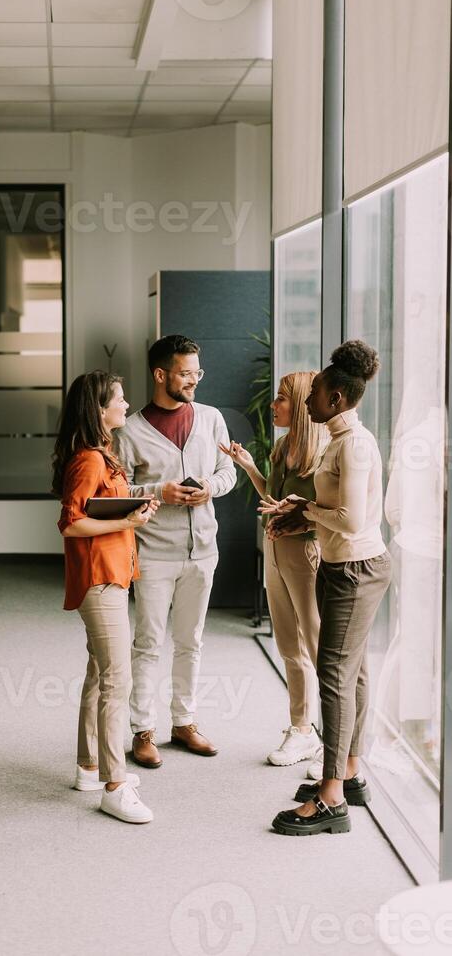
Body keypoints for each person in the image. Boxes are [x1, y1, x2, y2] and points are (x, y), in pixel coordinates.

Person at [262, 340, 392, 837]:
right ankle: (351, 771)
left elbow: (353, 518)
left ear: (337, 398)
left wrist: (306, 511)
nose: (307, 399)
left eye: (314, 391)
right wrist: (304, 507)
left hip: (356, 570)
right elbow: (337, 509)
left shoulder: (353, 445)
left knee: (334, 674)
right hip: (346, 567)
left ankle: (332, 795)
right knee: (351, 670)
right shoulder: (339, 441)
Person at [113, 335, 236, 768]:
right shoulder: (129, 430)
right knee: (148, 643)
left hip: (203, 550)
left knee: (192, 641)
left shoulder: (211, 418)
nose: (194, 381)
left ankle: (184, 722)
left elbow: (227, 472)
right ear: (161, 374)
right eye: (186, 373)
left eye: (197, 372)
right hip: (153, 554)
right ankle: (142, 730)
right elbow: (118, 491)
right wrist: (158, 492)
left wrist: (210, 491)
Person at [53, 370, 159, 824]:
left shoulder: (101, 455)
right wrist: (127, 523)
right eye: (118, 398)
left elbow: (99, 508)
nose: (126, 402)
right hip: (100, 580)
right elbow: (72, 523)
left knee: (100, 673)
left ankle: (89, 766)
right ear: (99, 409)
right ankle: (115, 785)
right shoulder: (89, 460)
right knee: (118, 678)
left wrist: (131, 509)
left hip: (110, 574)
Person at [221, 372, 328, 770]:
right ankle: (301, 730)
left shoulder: (327, 454)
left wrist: (305, 523)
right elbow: (274, 500)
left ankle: (332, 744)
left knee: (318, 648)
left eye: (281, 398)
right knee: (289, 647)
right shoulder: (283, 446)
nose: (273, 404)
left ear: (301, 404)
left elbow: (335, 514)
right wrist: (249, 466)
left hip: (307, 557)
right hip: (276, 552)